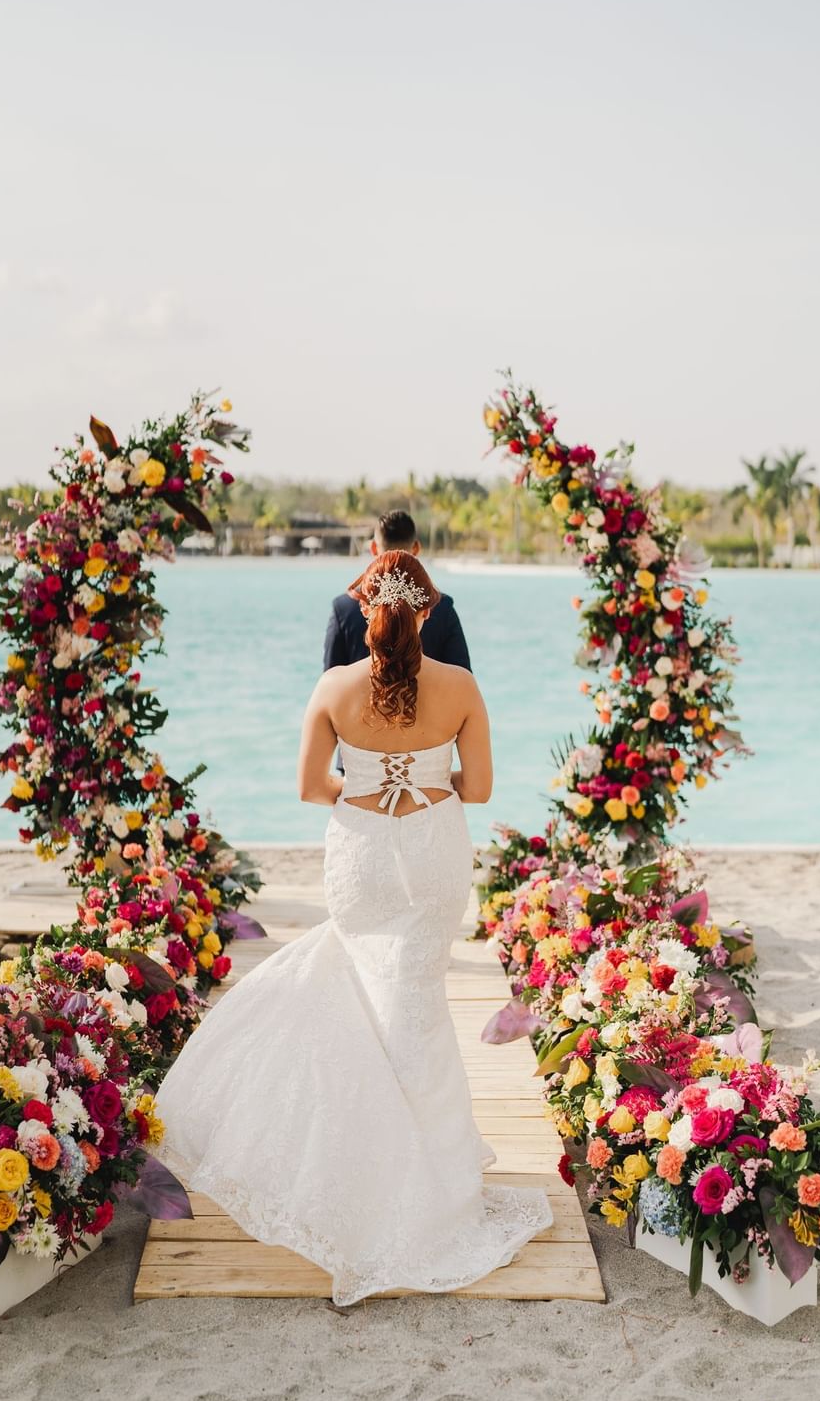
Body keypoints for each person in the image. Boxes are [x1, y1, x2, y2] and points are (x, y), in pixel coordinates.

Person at [154, 550, 552, 1304]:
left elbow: (310, 787)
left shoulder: (333, 688)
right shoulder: (461, 687)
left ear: (362, 607)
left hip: (364, 855)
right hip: (433, 849)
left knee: (364, 992)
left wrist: (370, 779)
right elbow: (483, 788)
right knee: (419, 1005)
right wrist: (422, 776)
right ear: (427, 611)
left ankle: (368, 1167)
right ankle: (423, 1179)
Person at [323, 509, 471, 671]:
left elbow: (331, 673)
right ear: (416, 548)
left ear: (373, 548)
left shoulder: (343, 608)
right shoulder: (442, 606)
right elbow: (461, 672)